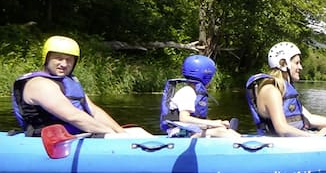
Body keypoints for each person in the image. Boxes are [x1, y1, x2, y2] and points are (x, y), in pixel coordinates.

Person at [12, 35, 151, 137]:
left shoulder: (69, 82)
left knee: (138, 132)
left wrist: (121, 132)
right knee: (119, 137)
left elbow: (93, 111)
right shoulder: (40, 84)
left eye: (69, 60)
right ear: (47, 59)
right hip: (51, 140)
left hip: (77, 134)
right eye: (59, 58)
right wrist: (112, 135)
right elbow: (73, 116)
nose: (64, 64)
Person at [245, 42, 326, 136]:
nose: (300, 67)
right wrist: (314, 137)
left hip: (299, 139)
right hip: (283, 146)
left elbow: (310, 118)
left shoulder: (283, 89)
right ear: (283, 64)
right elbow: (282, 129)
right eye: (297, 63)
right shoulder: (271, 90)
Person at [159, 55, 240, 138]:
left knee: (221, 129)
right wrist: (214, 123)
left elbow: (196, 119)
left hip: (189, 131)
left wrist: (217, 124)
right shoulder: (188, 92)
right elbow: (184, 118)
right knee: (222, 132)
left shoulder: (194, 92)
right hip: (180, 133)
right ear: (206, 77)